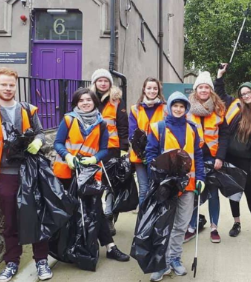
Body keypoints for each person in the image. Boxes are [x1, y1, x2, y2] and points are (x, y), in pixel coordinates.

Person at [0, 67, 52, 282]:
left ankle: (41, 260)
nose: (8, 88)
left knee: (35, 216)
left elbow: (41, 132)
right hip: (5, 174)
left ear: (16, 86)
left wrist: (38, 141)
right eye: (3, 84)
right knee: (10, 221)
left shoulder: (27, 110)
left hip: (30, 171)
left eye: (11, 85)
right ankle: (12, 262)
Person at [53, 87, 130, 264]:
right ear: (76, 103)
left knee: (95, 209)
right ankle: (67, 247)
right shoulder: (68, 119)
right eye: (81, 100)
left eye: (88, 100)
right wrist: (68, 156)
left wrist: (94, 158)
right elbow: (57, 143)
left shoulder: (101, 123)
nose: (85, 103)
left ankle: (110, 247)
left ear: (94, 102)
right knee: (69, 210)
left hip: (88, 173)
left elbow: (105, 149)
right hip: (66, 172)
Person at [146, 91, 205, 282]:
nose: (178, 109)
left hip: (187, 184)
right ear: (169, 107)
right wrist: (156, 176)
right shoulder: (158, 128)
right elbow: (150, 155)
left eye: (182, 106)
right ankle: (161, 263)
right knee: (163, 225)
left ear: (186, 108)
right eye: (175, 106)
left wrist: (201, 178)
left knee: (181, 224)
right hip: (167, 185)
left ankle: (175, 259)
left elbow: (199, 155)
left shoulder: (193, 128)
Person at [215, 63, 251, 242]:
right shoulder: (234, 106)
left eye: (248, 93)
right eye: (243, 94)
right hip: (232, 157)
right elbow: (220, 94)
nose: (245, 96)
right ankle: (237, 223)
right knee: (233, 192)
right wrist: (219, 76)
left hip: (249, 160)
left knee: (250, 192)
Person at [184, 71, 229, 243]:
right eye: (200, 87)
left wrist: (220, 157)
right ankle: (192, 226)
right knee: (193, 193)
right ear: (196, 90)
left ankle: (214, 227)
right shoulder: (187, 108)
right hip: (193, 158)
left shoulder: (218, 109)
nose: (204, 90)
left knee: (212, 193)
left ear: (211, 90)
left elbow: (224, 135)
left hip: (212, 156)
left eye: (207, 87)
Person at [90, 69, 128, 235]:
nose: (103, 83)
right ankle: (95, 216)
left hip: (111, 148)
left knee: (110, 184)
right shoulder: (88, 98)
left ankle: (108, 216)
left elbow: (122, 123)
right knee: (94, 183)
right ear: (95, 83)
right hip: (91, 148)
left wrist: (124, 143)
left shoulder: (116, 100)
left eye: (106, 81)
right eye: (100, 81)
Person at [129, 77, 167, 206]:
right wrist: (142, 153)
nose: (152, 91)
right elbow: (132, 134)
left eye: (155, 88)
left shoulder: (165, 109)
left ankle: (154, 220)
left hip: (158, 155)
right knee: (144, 188)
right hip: (140, 156)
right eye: (149, 88)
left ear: (159, 90)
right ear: (144, 89)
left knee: (156, 187)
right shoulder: (135, 109)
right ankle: (143, 221)